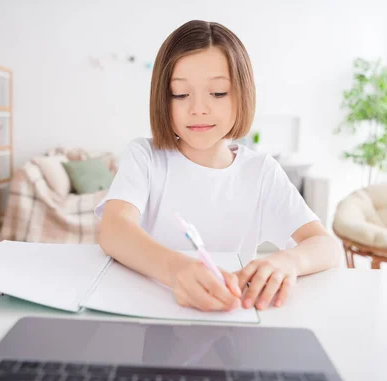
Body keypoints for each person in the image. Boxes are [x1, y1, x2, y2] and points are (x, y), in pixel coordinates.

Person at [95, 20, 341, 312]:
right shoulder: (146, 156)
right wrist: (177, 271)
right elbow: (113, 229)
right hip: (149, 313)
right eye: (181, 94)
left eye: (218, 93)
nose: (198, 108)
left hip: (228, 316)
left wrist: (288, 261)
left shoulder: (260, 172)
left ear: (242, 95)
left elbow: (327, 246)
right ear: (163, 98)